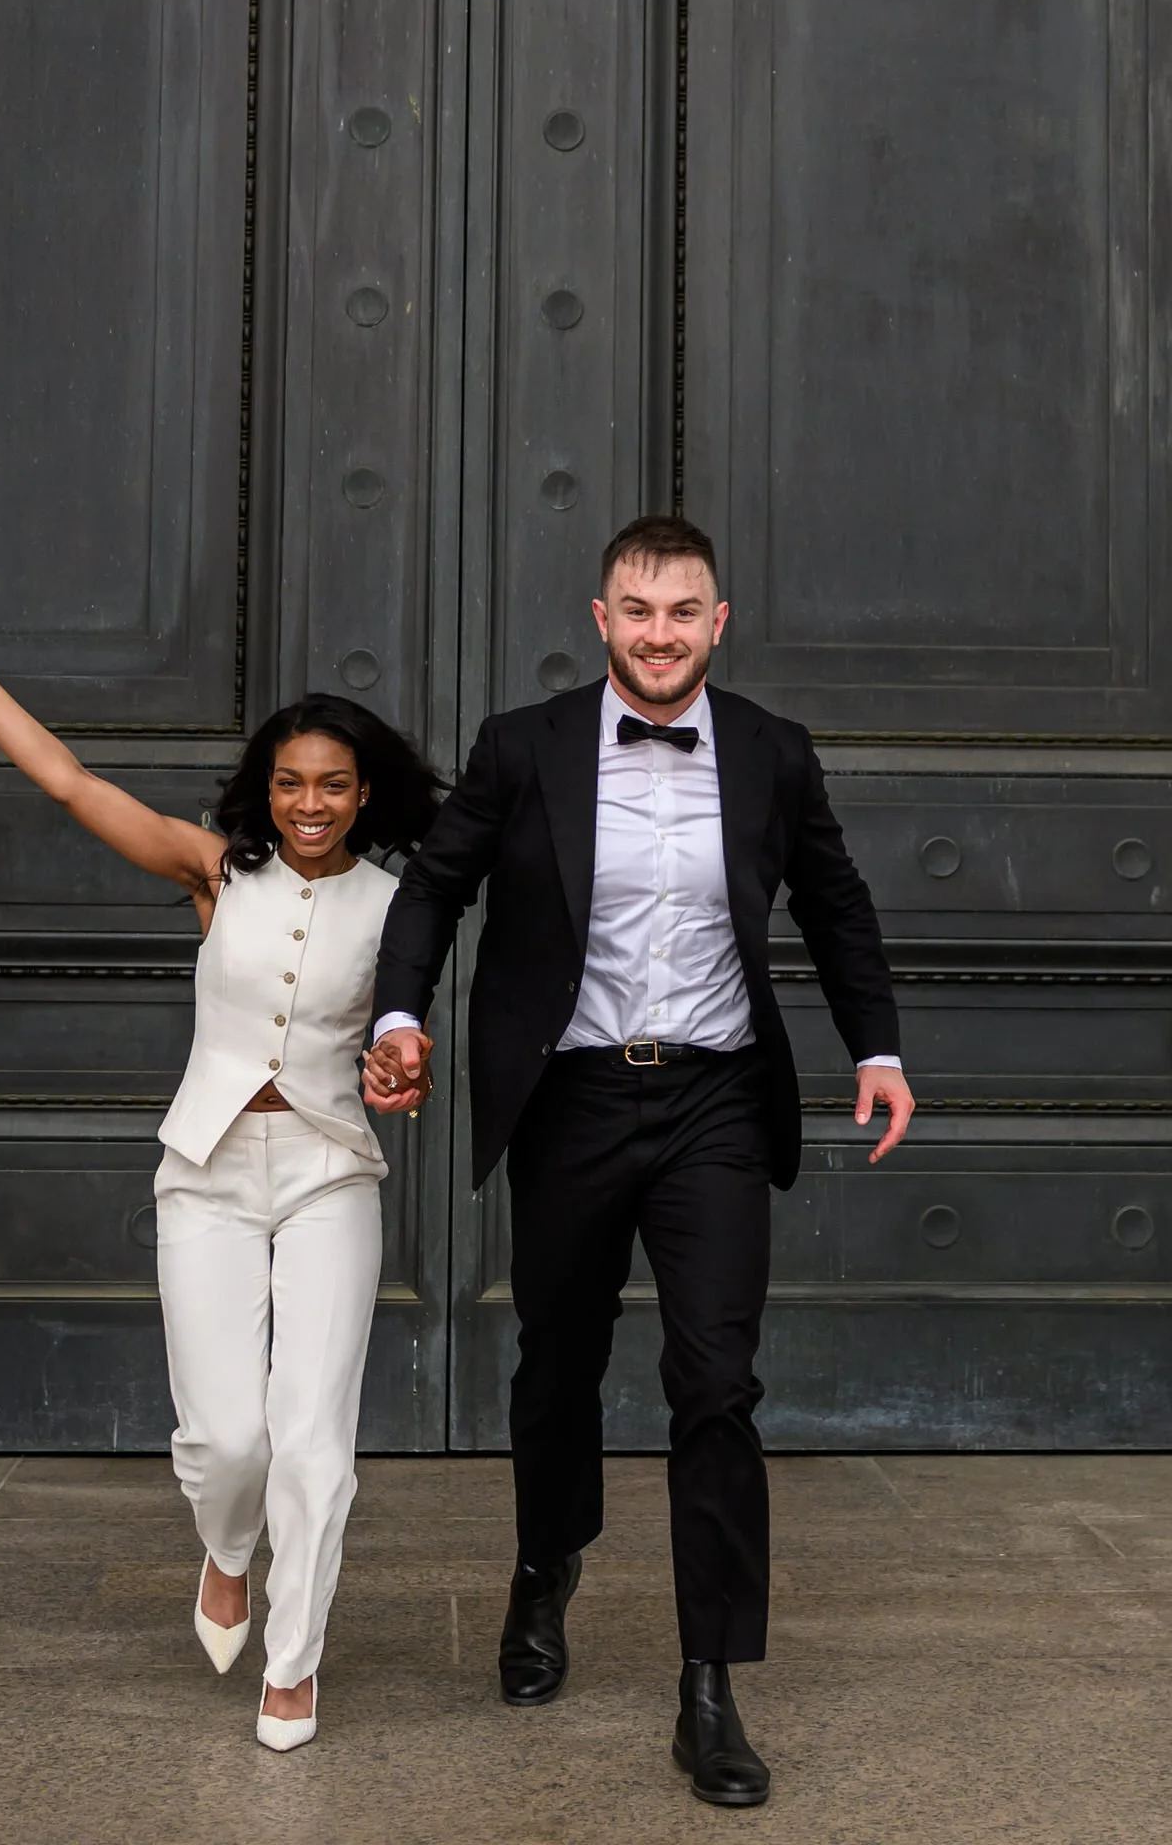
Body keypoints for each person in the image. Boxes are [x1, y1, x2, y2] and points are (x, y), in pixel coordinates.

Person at [362, 514, 914, 1809]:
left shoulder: (775, 754)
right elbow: (436, 887)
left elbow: (835, 904)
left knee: (716, 1383)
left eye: (683, 612)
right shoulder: (523, 747)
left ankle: (710, 1687)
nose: (660, 633)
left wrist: (877, 1051)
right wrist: (400, 1015)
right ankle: (545, 1567)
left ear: (717, 624)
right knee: (557, 1361)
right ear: (601, 618)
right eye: (637, 609)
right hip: (573, 1097)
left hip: (716, 1098)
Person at [0, 589, 440, 1752]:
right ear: (267, 788)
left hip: (329, 1171)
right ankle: (227, 1547)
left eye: (334, 784)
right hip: (203, 1171)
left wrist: (403, 1063)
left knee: (312, 1443)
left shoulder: (403, 905)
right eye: (292, 782)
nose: (311, 804)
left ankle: (292, 1668)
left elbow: (402, 1026)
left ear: (366, 794)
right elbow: (68, 784)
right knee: (226, 1444)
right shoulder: (212, 870)